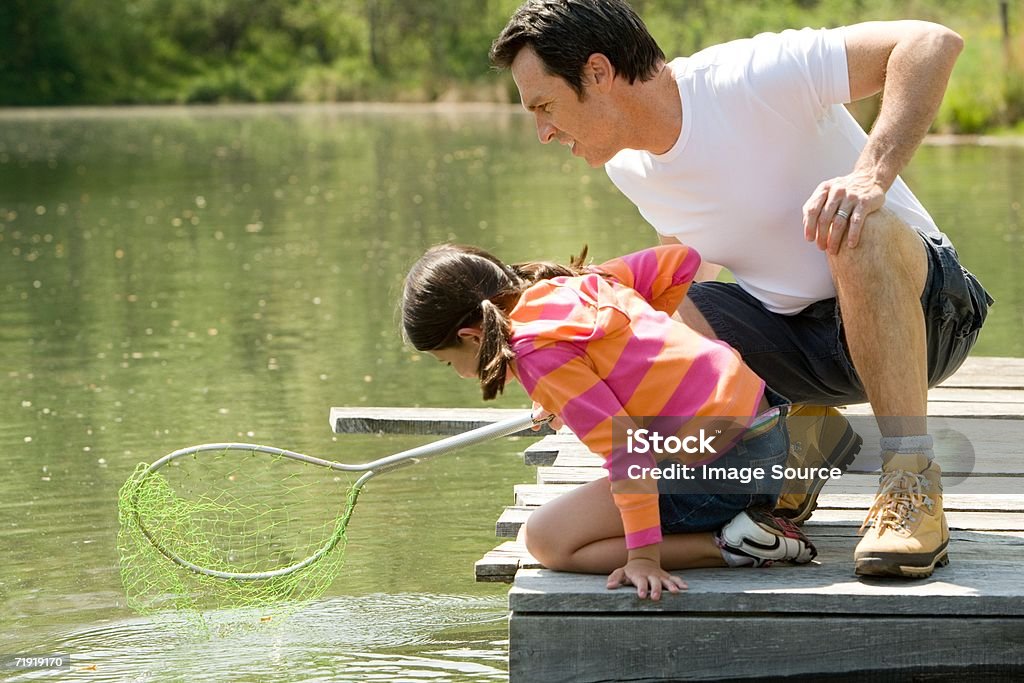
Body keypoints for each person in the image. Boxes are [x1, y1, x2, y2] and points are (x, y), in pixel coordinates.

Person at [489, 0, 993, 579]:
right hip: (809, 349)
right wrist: (578, 365)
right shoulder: (630, 167)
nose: (543, 131)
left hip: (931, 316)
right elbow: (680, 279)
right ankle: (792, 448)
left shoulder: (747, 77)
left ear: (598, 74)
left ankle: (911, 480)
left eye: (545, 106)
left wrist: (869, 176)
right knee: (666, 317)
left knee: (859, 229)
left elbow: (931, 42)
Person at [401, 242, 816, 600]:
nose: (459, 373)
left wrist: (643, 558)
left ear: (472, 336)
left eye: (449, 361)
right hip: (769, 430)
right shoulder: (576, 283)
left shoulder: (536, 353)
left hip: (723, 471)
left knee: (544, 540)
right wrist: (648, 353)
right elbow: (681, 261)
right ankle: (748, 521)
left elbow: (628, 453)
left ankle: (734, 544)